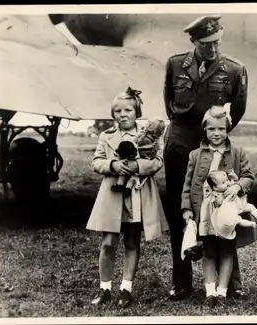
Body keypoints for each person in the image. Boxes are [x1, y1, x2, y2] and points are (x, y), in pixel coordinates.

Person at [163, 14, 249, 300]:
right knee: (182, 212)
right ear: (194, 41)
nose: (213, 48)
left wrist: (215, 138)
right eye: (207, 43)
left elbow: (236, 110)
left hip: (215, 142)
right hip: (180, 141)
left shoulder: (235, 70)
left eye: (217, 42)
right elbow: (170, 104)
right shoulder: (176, 64)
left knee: (225, 211)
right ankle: (182, 281)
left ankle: (232, 282)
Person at [86, 87, 168, 308]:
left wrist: (137, 165)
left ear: (137, 112)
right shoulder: (106, 136)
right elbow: (96, 161)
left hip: (137, 194)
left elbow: (158, 161)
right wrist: (112, 165)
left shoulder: (147, 136)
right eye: (118, 111)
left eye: (128, 110)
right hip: (112, 194)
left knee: (132, 241)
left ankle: (126, 288)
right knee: (109, 242)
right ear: (113, 115)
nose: (123, 115)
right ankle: (104, 289)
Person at [181, 106, 257, 306]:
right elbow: (188, 185)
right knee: (208, 250)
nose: (216, 134)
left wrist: (237, 186)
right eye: (211, 129)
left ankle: (224, 290)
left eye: (221, 129)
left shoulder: (238, 152)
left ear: (228, 129)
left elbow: (249, 177)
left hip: (228, 211)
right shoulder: (195, 155)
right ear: (205, 130)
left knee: (227, 250)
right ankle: (210, 292)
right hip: (205, 212)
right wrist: (187, 209)